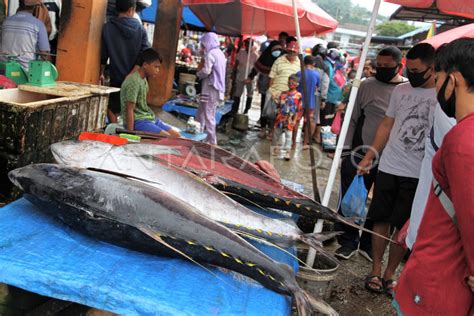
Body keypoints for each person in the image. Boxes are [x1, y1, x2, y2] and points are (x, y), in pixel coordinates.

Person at [394, 38, 474, 315]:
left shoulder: (463, 139)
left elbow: (470, 219)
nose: (436, 89)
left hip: (439, 281)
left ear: (453, 81)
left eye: (438, 79)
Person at [357, 43, 438, 296]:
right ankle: (375, 269)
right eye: (409, 69)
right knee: (379, 218)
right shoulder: (401, 91)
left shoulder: (442, 96)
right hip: (390, 166)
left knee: (403, 227)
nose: (412, 74)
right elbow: (387, 124)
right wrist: (370, 155)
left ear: (432, 68)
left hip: (419, 173)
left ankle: (391, 274)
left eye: (417, 70)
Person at [334, 47, 407, 261]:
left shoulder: (406, 90)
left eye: (387, 67)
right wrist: (345, 151)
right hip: (360, 151)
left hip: (391, 158)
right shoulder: (366, 86)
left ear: (399, 66)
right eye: (379, 66)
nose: (381, 70)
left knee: (380, 205)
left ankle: (367, 243)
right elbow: (352, 119)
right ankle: (347, 241)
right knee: (350, 199)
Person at [100, 0, 150, 123]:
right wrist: (133, 72)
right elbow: (145, 54)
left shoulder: (108, 28)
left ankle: (115, 128)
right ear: (131, 10)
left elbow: (103, 55)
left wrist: (100, 73)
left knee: (111, 107)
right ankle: (129, 134)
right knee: (133, 110)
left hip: (116, 77)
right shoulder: (141, 29)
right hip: (135, 79)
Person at [120, 48, 180, 137]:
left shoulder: (143, 79)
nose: (158, 70)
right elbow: (129, 109)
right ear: (145, 65)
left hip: (147, 117)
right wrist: (130, 134)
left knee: (177, 136)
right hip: (138, 120)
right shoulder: (134, 81)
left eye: (159, 67)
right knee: (167, 138)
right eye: (156, 67)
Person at [246, 40, 284, 136]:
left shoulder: (283, 58)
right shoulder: (265, 56)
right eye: (275, 50)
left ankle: (271, 129)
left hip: (278, 87)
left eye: (279, 50)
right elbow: (256, 67)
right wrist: (250, 77)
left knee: (276, 108)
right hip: (265, 85)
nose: (277, 52)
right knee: (264, 105)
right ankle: (263, 128)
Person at [0, 0, 50, 71]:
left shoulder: (6, 22)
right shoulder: (38, 25)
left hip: (3, 69)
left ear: (19, 4)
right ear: (35, 7)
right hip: (26, 71)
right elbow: (44, 53)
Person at [266, 41, 301, 140]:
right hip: (277, 92)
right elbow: (271, 77)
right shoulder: (279, 60)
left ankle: (282, 135)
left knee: (287, 116)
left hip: (290, 96)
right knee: (273, 115)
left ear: (297, 52)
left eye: (294, 52)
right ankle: (271, 132)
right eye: (290, 51)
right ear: (287, 50)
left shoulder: (299, 63)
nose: (292, 53)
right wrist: (271, 91)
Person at [196, 32, 226, 145]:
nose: (202, 47)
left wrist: (198, 73)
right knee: (202, 113)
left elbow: (206, 71)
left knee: (208, 115)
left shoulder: (210, 54)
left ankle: (212, 142)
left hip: (210, 87)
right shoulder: (220, 54)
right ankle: (198, 135)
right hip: (216, 88)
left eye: (203, 44)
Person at [272, 74, 302, 161]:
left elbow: (297, 110)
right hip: (280, 118)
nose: (291, 84)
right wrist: (275, 100)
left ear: (297, 84)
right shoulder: (283, 94)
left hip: (290, 119)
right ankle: (275, 148)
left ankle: (287, 153)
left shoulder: (298, 96)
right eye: (289, 82)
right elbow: (279, 106)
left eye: (293, 82)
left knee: (288, 137)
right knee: (276, 135)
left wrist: (295, 120)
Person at [296, 55, 320, 148]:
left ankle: (293, 142)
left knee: (296, 121)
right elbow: (317, 87)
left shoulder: (299, 73)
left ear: (303, 63)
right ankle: (305, 143)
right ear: (313, 64)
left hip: (299, 101)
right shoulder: (316, 74)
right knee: (309, 123)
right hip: (310, 102)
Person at [231, 38, 258, 115]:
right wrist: (233, 73)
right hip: (240, 75)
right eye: (246, 44)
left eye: (248, 44)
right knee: (237, 93)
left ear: (252, 45)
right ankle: (235, 110)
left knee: (250, 94)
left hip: (250, 77)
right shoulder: (241, 52)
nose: (247, 46)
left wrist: (253, 78)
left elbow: (256, 68)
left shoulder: (255, 55)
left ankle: (246, 110)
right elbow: (236, 63)